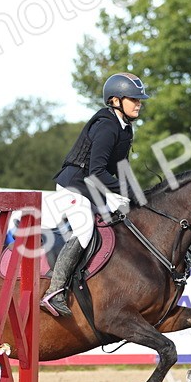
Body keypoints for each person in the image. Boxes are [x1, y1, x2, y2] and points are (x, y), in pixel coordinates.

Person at [41, 72, 148, 316]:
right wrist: (127, 191)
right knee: (85, 228)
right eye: (134, 99)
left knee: (123, 217)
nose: (139, 103)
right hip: (72, 185)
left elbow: (120, 169)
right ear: (115, 100)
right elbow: (98, 170)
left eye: (139, 99)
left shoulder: (125, 129)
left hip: (90, 185)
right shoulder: (107, 126)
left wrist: (139, 195)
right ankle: (53, 292)